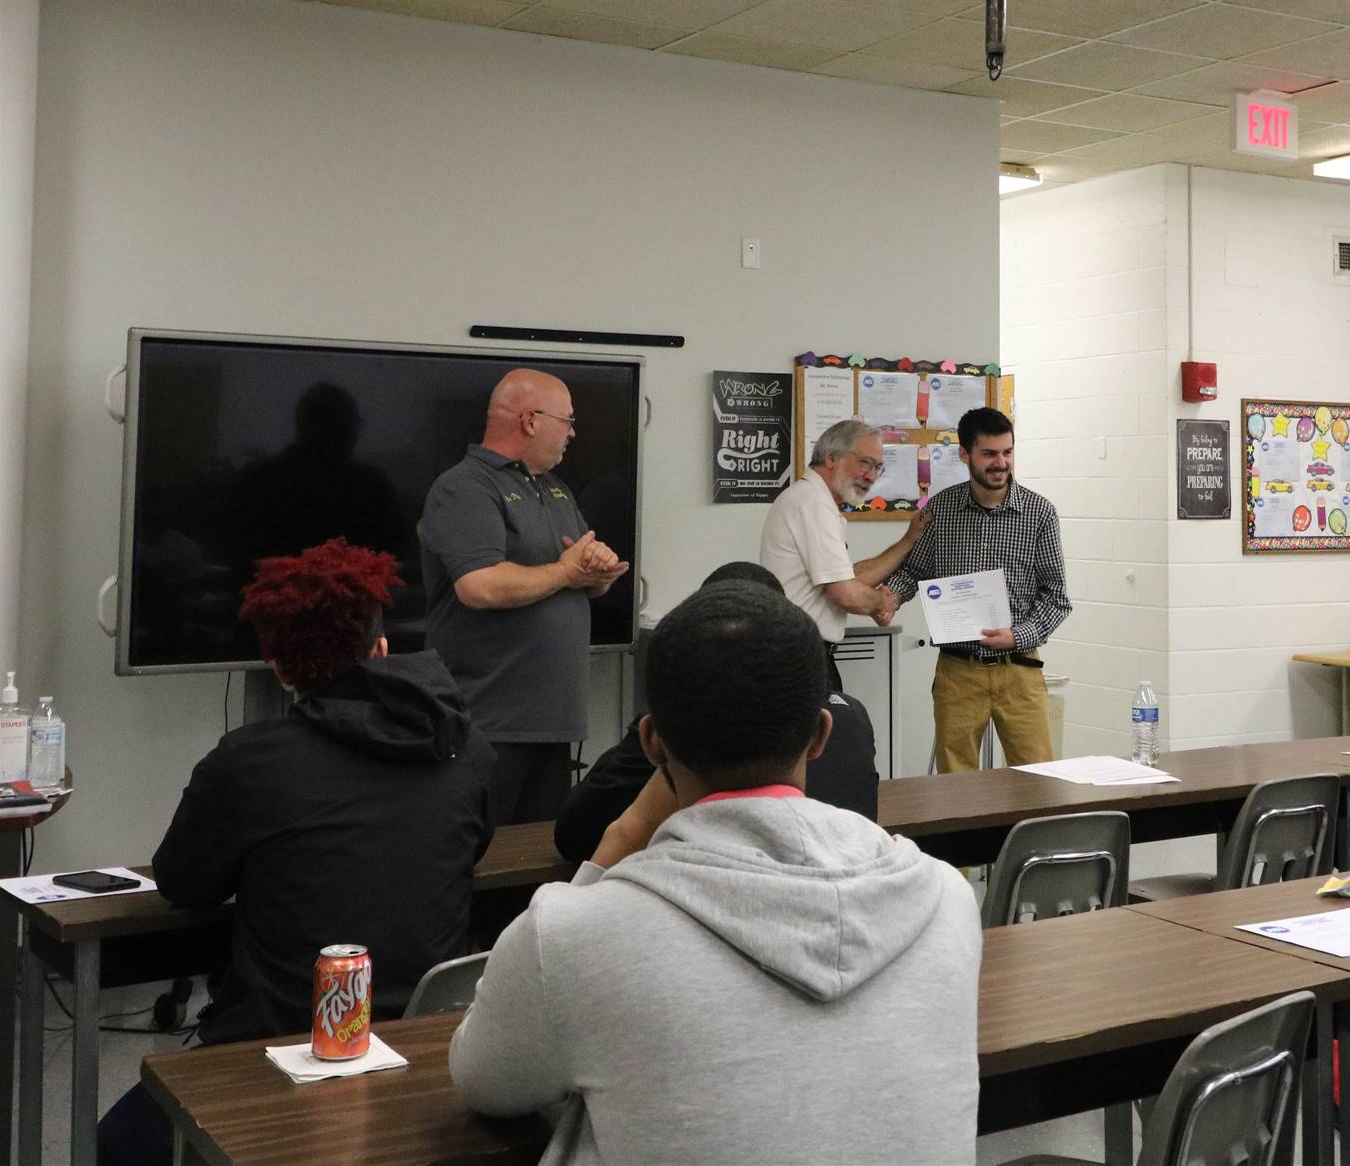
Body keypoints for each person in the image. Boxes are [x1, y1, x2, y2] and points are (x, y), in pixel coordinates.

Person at [450, 581, 980, 1165]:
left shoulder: (572, 934)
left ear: (652, 742)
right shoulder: (946, 898)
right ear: (820, 735)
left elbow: (484, 1081)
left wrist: (618, 842)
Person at [100, 539, 494, 1166]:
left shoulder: (249, 762)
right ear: (383, 649)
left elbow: (183, 882)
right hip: (430, 1038)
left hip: (278, 1049)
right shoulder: (466, 751)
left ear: (278, 665)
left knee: (116, 1145)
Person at [552, 561, 881, 862]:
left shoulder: (681, 721)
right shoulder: (850, 715)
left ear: (654, 741)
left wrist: (631, 826)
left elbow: (574, 833)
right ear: (819, 733)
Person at [418, 367, 629, 825]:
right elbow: (478, 585)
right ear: (531, 420)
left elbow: (579, 574)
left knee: (535, 862)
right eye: (567, 420)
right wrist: (565, 571)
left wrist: (599, 573)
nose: (573, 433)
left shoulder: (554, 488)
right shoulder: (465, 487)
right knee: (484, 863)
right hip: (487, 722)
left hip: (553, 721)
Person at [885, 407, 1069, 773]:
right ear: (965, 455)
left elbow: (1057, 597)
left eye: (1008, 452)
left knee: (1039, 779)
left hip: (1019, 669)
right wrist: (888, 598)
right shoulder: (940, 509)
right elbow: (915, 571)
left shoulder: (1039, 513)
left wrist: (1018, 635)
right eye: (989, 454)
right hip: (958, 672)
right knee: (957, 785)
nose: (1001, 463)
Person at [759, 419, 928, 691]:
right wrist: (880, 603)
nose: (871, 476)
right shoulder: (813, 503)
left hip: (800, 654)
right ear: (831, 457)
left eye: (878, 468)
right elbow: (845, 593)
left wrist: (908, 542)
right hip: (798, 658)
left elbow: (847, 578)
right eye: (865, 463)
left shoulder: (815, 500)